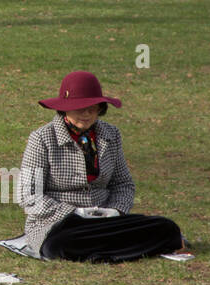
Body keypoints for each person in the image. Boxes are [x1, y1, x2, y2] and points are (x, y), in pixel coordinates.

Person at [18, 71, 184, 262]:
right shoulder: (41, 138)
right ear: (65, 109)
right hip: (58, 224)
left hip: (106, 222)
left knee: (167, 228)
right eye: (80, 108)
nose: (87, 114)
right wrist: (75, 213)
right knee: (59, 245)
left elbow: (123, 184)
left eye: (92, 108)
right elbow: (29, 196)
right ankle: (120, 248)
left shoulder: (111, 134)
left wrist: (114, 211)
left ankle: (104, 249)